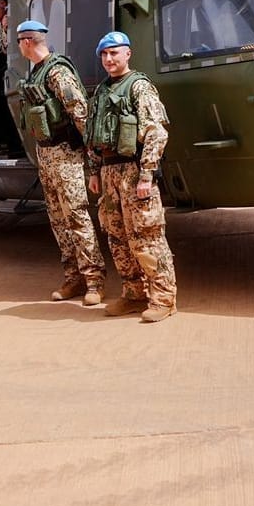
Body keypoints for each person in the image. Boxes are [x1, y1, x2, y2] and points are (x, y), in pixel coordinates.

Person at [84, 31, 177, 322]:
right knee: (117, 237)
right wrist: (95, 170)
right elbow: (94, 134)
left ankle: (163, 298)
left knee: (146, 237)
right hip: (109, 172)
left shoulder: (139, 87)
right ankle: (134, 294)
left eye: (114, 53)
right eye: (104, 54)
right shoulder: (101, 91)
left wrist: (147, 175)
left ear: (128, 54)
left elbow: (155, 133)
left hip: (134, 170)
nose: (109, 59)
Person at [13, 20, 105, 306]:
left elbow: (82, 116)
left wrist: (94, 161)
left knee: (77, 217)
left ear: (27, 42)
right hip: (47, 156)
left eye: (19, 42)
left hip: (66, 155)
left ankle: (94, 281)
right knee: (58, 220)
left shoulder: (57, 72)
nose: (19, 47)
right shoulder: (37, 73)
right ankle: (73, 277)